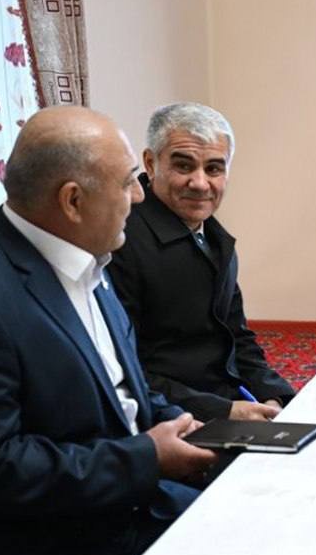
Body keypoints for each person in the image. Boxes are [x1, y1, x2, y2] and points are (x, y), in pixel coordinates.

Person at [0, 107, 218, 555]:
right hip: (33, 549)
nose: (138, 196)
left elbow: (125, 393)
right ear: (72, 200)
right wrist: (145, 458)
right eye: (128, 181)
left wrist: (195, 429)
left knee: (247, 538)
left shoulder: (88, 261)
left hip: (117, 504)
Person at [109, 102, 294, 422]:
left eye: (214, 169)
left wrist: (274, 395)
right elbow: (123, 369)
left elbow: (236, 335)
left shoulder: (213, 236)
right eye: (183, 166)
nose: (199, 183)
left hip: (227, 402)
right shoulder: (119, 241)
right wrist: (222, 412)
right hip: (171, 418)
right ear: (150, 164)